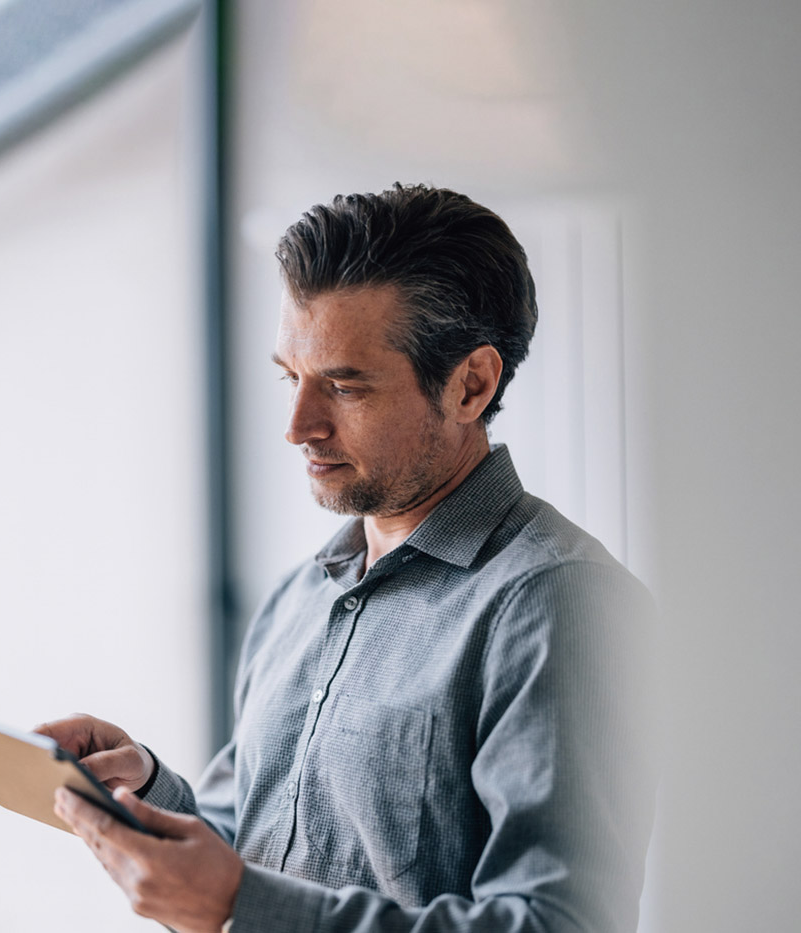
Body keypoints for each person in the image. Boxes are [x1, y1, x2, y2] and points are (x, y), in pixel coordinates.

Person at [39, 184, 655, 933]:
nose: (299, 426)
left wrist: (240, 905)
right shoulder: (301, 597)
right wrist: (151, 790)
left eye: (343, 384)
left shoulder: (560, 604)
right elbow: (256, 847)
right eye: (289, 378)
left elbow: (559, 924)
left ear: (471, 384)